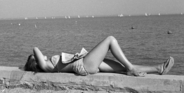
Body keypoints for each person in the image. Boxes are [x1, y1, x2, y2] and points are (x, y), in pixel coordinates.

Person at [24, 36, 174, 76]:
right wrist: (33, 56)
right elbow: (35, 48)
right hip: (84, 65)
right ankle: (131, 68)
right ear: (36, 62)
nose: (42, 54)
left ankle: (158, 69)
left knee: (123, 68)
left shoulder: (49, 64)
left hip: (86, 62)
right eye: (37, 57)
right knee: (110, 40)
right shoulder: (46, 66)